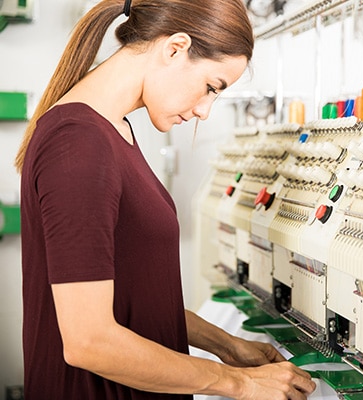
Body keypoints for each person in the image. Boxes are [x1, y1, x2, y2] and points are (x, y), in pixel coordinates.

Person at [14, 0, 316, 399]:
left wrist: (228, 346)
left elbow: (134, 299)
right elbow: (89, 341)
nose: (205, 110)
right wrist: (238, 384)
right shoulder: (79, 143)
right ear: (174, 48)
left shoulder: (112, 130)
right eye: (211, 87)